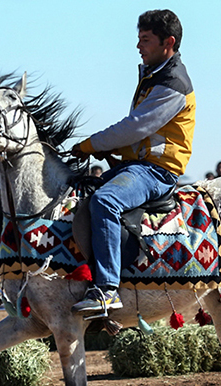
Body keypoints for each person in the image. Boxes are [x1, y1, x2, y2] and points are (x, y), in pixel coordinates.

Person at [70, 9, 194, 313]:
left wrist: (89, 144)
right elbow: (138, 134)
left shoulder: (172, 83)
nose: (138, 46)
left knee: (105, 202)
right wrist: (109, 150)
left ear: (169, 42)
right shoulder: (154, 74)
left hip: (156, 172)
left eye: (145, 39)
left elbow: (135, 127)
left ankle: (108, 289)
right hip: (138, 165)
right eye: (138, 39)